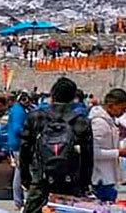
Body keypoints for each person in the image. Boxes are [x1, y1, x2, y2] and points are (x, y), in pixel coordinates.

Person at [19, 77, 93, 213]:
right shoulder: (81, 121)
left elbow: (25, 149)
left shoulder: (35, 117)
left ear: (52, 95)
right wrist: (84, 183)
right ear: (73, 98)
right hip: (70, 181)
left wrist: (25, 177)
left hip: (42, 180)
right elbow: (87, 157)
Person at [89, 88, 126, 202]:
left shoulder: (109, 120)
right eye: (122, 108)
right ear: (111, 106)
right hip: (102, 179)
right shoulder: (99, 123)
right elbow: (93, 152)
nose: (123, 112)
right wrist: (119, 152)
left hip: (109, 178)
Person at [6, 92, 30, 209]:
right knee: (21, 171)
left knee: (19, 171)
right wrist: (30, 134)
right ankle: (18, 201)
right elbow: (17, 129)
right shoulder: (18, 112)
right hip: (18, 145)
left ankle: (18, 201)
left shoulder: (16, 110)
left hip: (15, 144)